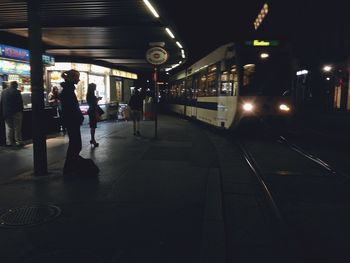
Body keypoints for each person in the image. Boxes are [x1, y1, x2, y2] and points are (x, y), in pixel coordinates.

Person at [59, 69, 84, 175]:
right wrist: (79, 116)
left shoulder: (67, 90)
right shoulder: (68, 91)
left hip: (71, 121)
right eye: (77, 77)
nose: (78, 80)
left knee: (75, 143)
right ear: (72, 78)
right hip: (72, 121)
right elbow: (72, 108)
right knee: (76, 143)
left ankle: (70, 166)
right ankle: (70, 167)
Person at [0, 81, 24, 147]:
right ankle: (18, 141)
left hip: (6, 113)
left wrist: (2, 112)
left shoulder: (3, 92)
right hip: (16, 112)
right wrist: (21, 110)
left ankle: (9, 142)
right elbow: (20, 102)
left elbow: (1, 102)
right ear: (15, 85)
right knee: (17, 128)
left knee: (9, 128)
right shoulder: (17, 92)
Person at [86, 83, 101, 147]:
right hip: (93, 111)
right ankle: (93, 140)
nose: (95, 88)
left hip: (91, 110)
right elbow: (94, 103)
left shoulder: (88, 94)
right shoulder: (91, 95)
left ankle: (92, 139)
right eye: (95, 87)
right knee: (93, 126)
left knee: (93, 126)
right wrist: (98, 99)